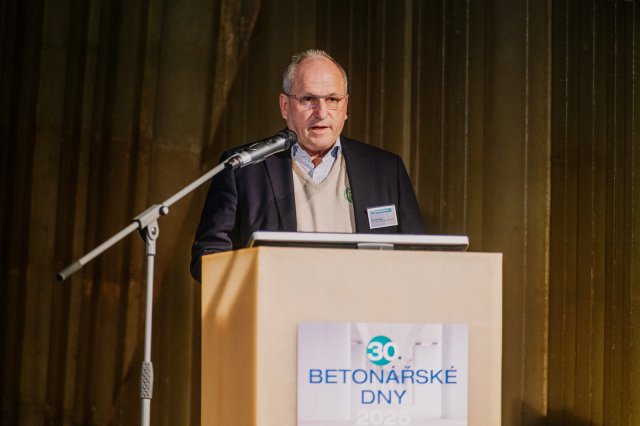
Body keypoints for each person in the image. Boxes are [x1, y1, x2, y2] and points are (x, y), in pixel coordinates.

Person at [190, 49, 425, 282]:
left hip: (364, 304)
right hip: (278, 304)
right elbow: (208, 256)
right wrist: (261, 283)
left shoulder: (386, 169)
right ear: (284, 106)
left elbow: (419, 257)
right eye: (308, 99)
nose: (321, 113)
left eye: (332, 100)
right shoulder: (244, 168)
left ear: (345, 107)